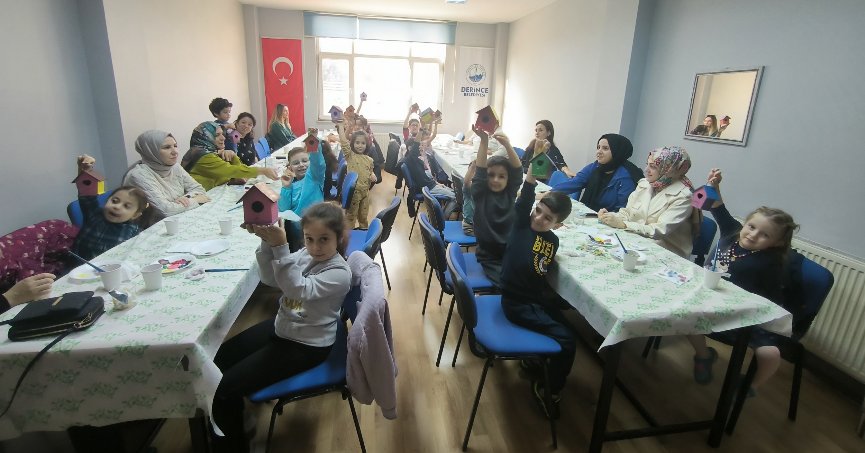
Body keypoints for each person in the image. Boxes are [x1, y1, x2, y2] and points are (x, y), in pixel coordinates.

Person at [211, 203, 352, 453]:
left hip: (307, 345)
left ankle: (234, 445)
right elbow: (269, 277)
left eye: (324, 239)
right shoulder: (306, 254)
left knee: (223, 390)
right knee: (217, 362)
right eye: (309, 238)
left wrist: (280, 246)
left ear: (338, 238)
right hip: (286, 328)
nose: (315, 247)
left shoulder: (339, 273)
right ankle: (238, 418)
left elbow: (296, 289)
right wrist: (268, 243)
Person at [687, 168, 799, 389]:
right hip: (708, 301)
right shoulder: (732, 232)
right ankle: (703, 355)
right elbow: (708, 204)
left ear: (777, 243)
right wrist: (713, 186)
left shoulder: (771, 262)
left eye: (765, 235)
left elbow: (770, 301)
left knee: (770, 354)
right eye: (751, 226)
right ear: (744, 223)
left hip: (746, 316)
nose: (753, 235)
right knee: (684, 317)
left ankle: (750, 387)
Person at [500, 159, 574, 420]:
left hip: (534, 298)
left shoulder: (552, 241)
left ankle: (534, 361)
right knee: (569, 340)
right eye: (538, 211)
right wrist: (534, 165)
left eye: (548, 218)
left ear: (558, 225)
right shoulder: (521, 224)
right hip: (516, 303)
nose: (539, 218)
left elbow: (540, 271)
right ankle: (548, 389)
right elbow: (526, 194)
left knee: (567, 318)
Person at [598, 146, 697, 258]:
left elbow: (659, 230)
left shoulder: (684, 197)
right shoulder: (645, 184)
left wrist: (624, 224)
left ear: (669, 169)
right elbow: (627, 213)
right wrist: (610, 217)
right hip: (637, 243)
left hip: (665, 253)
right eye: (648, 164)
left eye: (653, 167)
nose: (646, 170)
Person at [470, 127, 524, 286]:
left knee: (528, 279)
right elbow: (480, 169)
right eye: (491, 175)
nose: (495, 180)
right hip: (490, 257)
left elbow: (518, 171)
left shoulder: (510, 193)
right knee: (511, 285)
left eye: (501, 176)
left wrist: (507, 146)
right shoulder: (481, 194)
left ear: (508, 180)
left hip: (510, 252)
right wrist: (484, 141)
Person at [123, 130, 210, 224]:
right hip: (148, 227)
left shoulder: (174, 167)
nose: (175, 152)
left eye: (175, 146)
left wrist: (186, 198)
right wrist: (195, 200)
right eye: (167, 147)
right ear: (151, 151)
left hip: (176, 220)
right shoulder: (139, 175)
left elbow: (199, 189)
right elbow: (166, 211)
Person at [72, 156, 147, 260]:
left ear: (135, 215)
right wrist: (84, 169)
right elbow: (86, 192)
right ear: (107, 201)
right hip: (76, 266)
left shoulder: (134, 233)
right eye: (114, 201)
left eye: (126, 206)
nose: (117, 207)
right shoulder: (94, 214)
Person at [550, 134, 642, 212]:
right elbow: (574, 183)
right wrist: (549, 193)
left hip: (609, 221)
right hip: (590, 215)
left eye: (605, 148)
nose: (599, 152)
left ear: (617, 151)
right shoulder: (595, 166)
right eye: (598, 147)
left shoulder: (626, 177)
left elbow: (623, 209)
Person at [182, 122, 278, 191]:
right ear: (206, 137)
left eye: (222, 134)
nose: (223, 138)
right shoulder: (203, 156)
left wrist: (233, 156)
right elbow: (232, 171)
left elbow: (232, 173)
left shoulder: (210, 151)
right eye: (217, 135)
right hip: (197, 198)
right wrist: (263, 171)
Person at [278, 134, 327, 250]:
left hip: (315, 225)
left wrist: (313, 145)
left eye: (305, 161)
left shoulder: (314, 177)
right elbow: (283, 209)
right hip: (297, 230)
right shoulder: (291, 184)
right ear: (290, 167)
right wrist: (286, 187)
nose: (301, 165)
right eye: (296, 163)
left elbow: (318, 164)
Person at [336, 122, 376, 229]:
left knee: (363, 217)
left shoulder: (369, 160)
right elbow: (343, 142)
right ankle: (348, 235)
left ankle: (363, 233)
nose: (360, 145)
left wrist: (372, 174)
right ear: (352, 143)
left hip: (365, 193)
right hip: (354, 193)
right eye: (357, 142)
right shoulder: (350, 156)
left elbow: (370, 171)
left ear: (367, 145)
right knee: (350, 216)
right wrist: (341, 127)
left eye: (363, 143)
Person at [405, 139, 457, 219]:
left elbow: (426, 175)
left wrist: (437, 183)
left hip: (430, 185)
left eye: (421, 145)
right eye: (419, 146)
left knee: (454, 193)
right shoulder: (411, 159)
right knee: (455, 197)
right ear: (410, 148)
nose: (421, 147)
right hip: (428, 188)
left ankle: (442, 214)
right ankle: (442, 220)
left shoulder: (415, 159)